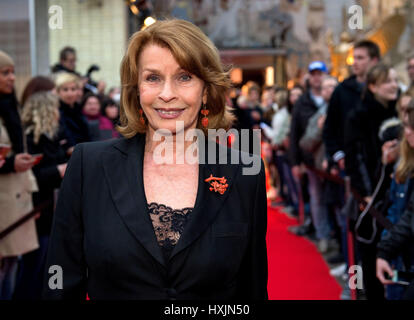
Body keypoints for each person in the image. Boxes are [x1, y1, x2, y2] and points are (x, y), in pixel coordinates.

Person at [43, 19, 268, 300]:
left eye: (184, 77)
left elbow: (253, 289)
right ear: (136, 89)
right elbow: (60, 281)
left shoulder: (245, 173)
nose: (167, 94)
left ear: (207, 90)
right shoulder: (89, 166)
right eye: (153, 78)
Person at [345, 63, 399, 300]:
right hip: (370, 193)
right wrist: (367, 192)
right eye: (388, 81)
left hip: (393, 186)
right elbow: (355, 156)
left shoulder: (397, 110)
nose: (394, 86)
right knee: (369, 249)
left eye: (396, 81)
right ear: (374, 86)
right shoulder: (359, 114)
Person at [13, 89, 69, 300]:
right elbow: (30, 175)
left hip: (50, 208)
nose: (58, 113)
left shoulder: (53, 135)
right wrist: (58, 171)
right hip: (35, 209)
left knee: (46, 265)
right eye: (55, 108)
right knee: (32, 267)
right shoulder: (29, 138)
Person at [0, 50, 39, 299]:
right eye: (5, 73)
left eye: (13, 72)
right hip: (4, 201)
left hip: (17, 196)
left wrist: (18, 161)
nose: (12, 78)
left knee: (13, 262)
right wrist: (10, 162)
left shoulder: (10, 106)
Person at [289, 61, 331, 251]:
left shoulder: (333, 99)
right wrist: (295, 162)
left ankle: (334, 235)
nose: (317, 78)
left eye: (320, 74)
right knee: (316, 197)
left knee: (334, 199)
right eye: (313, 74)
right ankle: (322, 234)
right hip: (310, 159)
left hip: (330, 158)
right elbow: (295, 132)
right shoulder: (302, 102)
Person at [323, 40, 380, 173]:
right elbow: (329, 128)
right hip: (352, 164)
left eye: (360, 58)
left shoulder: (383, 89)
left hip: (379, 160)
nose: (354, 62)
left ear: (374, 60)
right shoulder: (341, 90)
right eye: (354, 57)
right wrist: (339, 156)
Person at [376, 100, 414, 300]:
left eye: (411, 127)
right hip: (402, 252)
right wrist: (385, 251)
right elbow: (403, 214)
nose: (406, 133)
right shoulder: (404, 161)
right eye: (405, 125)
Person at [55, 72, 90, 145]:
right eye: (65, 89)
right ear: (58, 92)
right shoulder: (56, 112)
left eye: (73, 89)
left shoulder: (79, 109)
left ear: (78, 91)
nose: (69, 93)